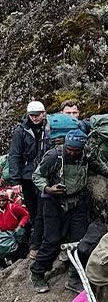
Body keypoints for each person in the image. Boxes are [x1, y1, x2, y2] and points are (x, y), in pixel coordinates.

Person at [30, 129, 108, 294]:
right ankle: (37, 272)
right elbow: (37, 176)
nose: (72, 153)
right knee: (51, 240)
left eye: (76, 150)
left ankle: (75, 277)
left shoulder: (86, 155)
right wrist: (48, 188)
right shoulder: (54, 156)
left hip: (78, 203)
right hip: (54, 203)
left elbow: (99, 166)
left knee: (79, 241)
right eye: (70, 149)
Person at [8, 101, 49, 257]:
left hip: (44, 174)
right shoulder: (21, 131)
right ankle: (35, 238)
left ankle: (36, 244)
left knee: (41, 209)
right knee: (32, 210)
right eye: (31, 115)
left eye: (37, 115)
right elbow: (14, 155)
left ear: (43, 113)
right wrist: (15, 181)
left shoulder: (49, 127)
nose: (34, 118)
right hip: (27, 177)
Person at [0, 190, 29, 265]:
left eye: (3, 201)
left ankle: (23, 254)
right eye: (0, 201)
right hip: (4, 233)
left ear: (7, 200)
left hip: (15, 231)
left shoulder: (13, 207)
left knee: (20, 236)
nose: (1, 203)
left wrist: (21, 225)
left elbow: (26, 215)